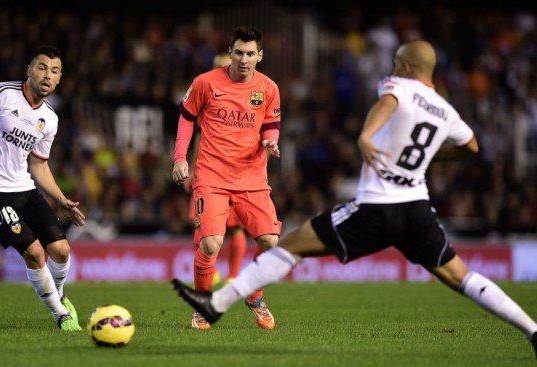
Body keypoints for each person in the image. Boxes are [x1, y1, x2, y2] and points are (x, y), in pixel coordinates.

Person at [171, 40, 537, 357]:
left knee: (290, 244)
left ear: (407, 67)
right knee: (463, 277)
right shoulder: (446, 110)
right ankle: (532, 330)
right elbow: (470, 146)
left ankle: (217, 303)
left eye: (397, 62)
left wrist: (367, 136)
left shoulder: (399, 85)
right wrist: (429, 157)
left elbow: (388, 102)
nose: (393, 67)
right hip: (418, 211)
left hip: (376, 207)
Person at [0, 45, 85, 332]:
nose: (47, 75)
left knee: (61, 250)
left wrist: (60, 198)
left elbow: (39, 166)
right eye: (42, 67)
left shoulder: (50, 119)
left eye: (55, 70)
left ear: (60, 78)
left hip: (23, 187)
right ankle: (60, 314)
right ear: (29, 70)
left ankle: (59, 295)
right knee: (35, 254)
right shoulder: (3, 93)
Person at [172, 26, 282, 330]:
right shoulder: (205, 83)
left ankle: (254, 294)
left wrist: (271, 140)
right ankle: (202, 304)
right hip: (212, 176)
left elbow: (271, 123)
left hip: (252, 177)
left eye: (250, 54)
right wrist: (180, 159)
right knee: (211, 244)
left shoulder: (269, 88)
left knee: (270, 241)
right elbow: (186, 118)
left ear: (260, 56)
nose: (244, 59)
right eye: (239, 53)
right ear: (229, 53)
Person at [183, 53, 248, 292]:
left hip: (237, 172)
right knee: (202, 224)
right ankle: (216, 272)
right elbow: (199, 136)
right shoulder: (208, 96)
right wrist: (191, 166)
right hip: (209, 170)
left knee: (236, 227)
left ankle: (232, 275)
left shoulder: (247, 100)